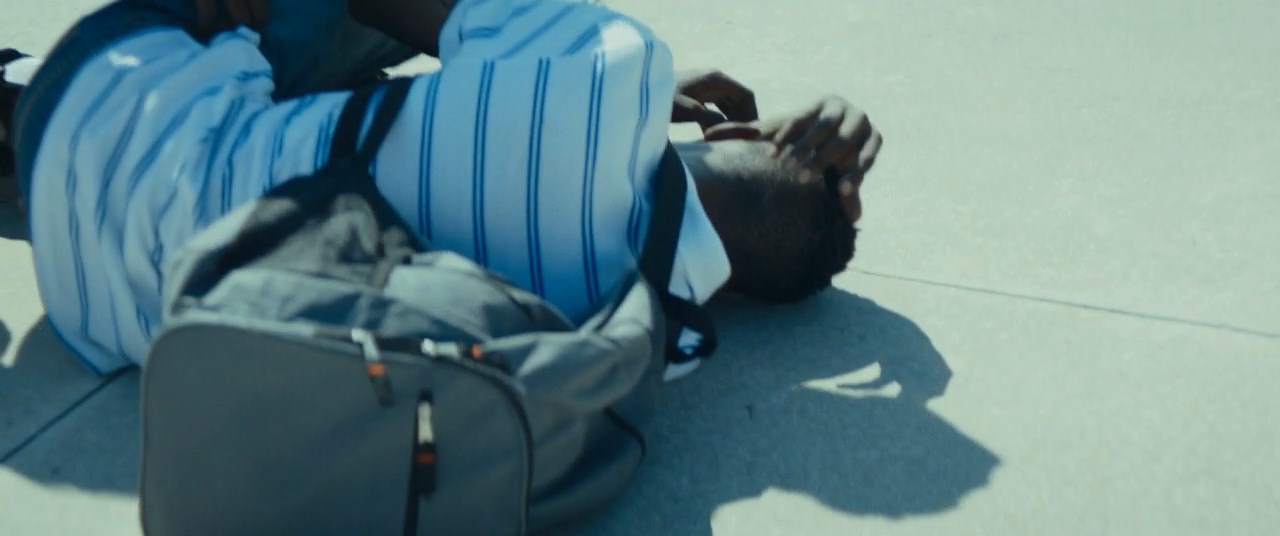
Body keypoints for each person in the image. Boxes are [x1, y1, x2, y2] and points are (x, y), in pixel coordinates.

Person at [6, 0, 882, 378]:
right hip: (109, 305)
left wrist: (629, 86)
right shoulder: (628, 324)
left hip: (110, 103)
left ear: (729, 131)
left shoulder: (609, 67)